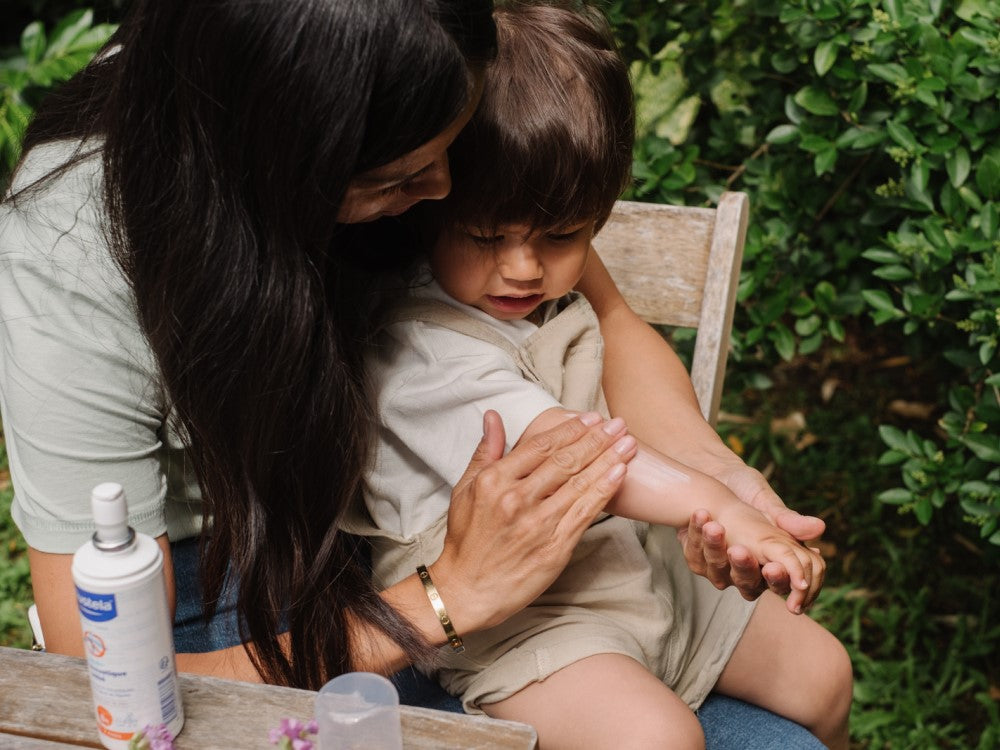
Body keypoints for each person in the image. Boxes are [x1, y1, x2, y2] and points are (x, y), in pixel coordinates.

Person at [0, 0, 836, 746]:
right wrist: (448, 598)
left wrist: (716, 477)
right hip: (240, 605)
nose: (443, 190)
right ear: (283, 167)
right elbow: (110, 682)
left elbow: (610, 319)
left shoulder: (417, 59)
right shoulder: (75, 252)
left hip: (504, 570)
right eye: (395, 177)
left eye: (450, 148)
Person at [356, 3, 851, 749]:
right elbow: (573, 459)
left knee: (823, 672)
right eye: (488, 236)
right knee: (657, 738)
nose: (524, 267)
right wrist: (710, 501)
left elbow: (624, 333)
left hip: (634, 566)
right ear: (431, 209)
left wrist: (726, 491)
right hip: (524, 621)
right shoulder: (420, 347)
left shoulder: (529, 255)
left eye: (563, 234)